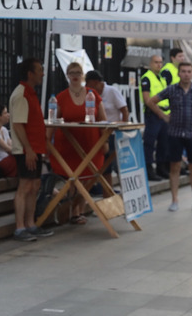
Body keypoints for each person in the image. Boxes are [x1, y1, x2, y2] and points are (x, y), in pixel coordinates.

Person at [146, 61, 192, 212]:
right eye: (183, 71)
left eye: (188, 71)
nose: (186, 74)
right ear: (179, 73)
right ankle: (174, 200)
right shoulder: (172, 90)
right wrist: (163, 115)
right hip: (175, 133)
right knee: (175, 167)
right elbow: (151, 101)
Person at [51, 62, 108, 224]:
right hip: (69, 145)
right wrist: (46, 144)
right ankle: (72, 210)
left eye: (78, 72)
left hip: (91, 143)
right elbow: (53, 121)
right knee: (73, 178)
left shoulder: (93, 95)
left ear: (82, 76)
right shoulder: (60, 97)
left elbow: (103, 119)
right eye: (71, 72)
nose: (75, 75)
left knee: (87, 178)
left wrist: (105, 142)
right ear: (67, 75)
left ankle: (78, 209)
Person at [8, 57, 55, 241]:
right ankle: (20, 227)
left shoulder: (30, 93)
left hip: (34, 148)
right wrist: (28, 149)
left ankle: (30, 224)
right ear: (30, 73)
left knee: (34, 185)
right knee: (25, 186)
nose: (42, 73)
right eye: (39, 70)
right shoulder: (21, 94)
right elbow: (19, 124)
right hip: (25, 150)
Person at [85, 69, 129, 196]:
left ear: (96, 82)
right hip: (99, 133)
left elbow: (124, 110)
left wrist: (122, 127)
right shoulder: (90, 94)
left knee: (115, 164)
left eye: (90, 85)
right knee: (104, 166)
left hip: (113, 133)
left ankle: (123, 192)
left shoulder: (111, 91)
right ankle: (107, 192)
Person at [139, 54, 169, 180]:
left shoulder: (161, 78)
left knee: (164, 142)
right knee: (150, 142)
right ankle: (148, 169)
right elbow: (147, 100)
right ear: (150, 63)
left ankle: (161, 168)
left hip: (165, 114)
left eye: (161, 62)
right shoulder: (147, 78)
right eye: (156, 62)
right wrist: (160, 113)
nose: (159, 65)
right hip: (154, 114)